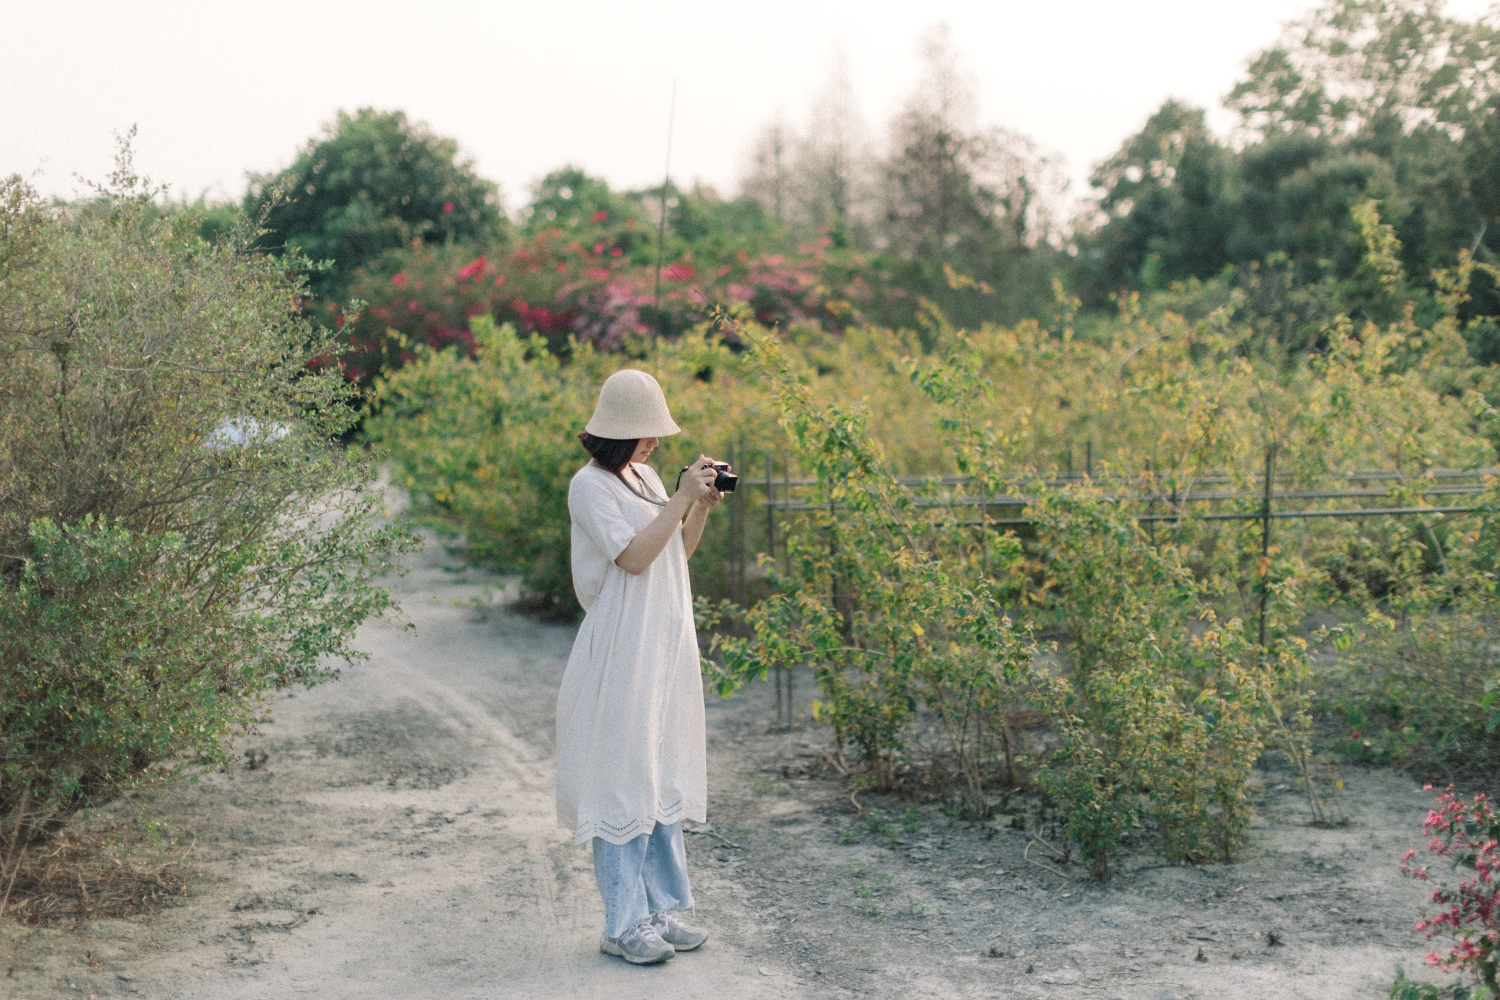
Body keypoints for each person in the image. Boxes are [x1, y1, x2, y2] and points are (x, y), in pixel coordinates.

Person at [555, 368, 729, 966]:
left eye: (656, 432)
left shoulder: (647, 476)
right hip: (621, 643)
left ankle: (659, 910)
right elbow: (631, 559)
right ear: (615, 432)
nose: (654, 442)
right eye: (644, 432)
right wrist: (679, 499)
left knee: (659, 771)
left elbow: (672, 555)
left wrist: (697, 507)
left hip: (662, 641)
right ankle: (622, 922)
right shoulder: (589, 486)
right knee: (620, 776)